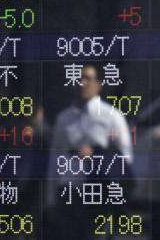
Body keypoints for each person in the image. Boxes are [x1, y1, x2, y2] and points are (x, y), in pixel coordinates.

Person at [46, 63, 133, 239]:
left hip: (98, 192)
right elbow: (55, 158)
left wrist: (98, 155)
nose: (82, 83)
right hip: (69, 191)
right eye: (79, 79)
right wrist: (50, 198)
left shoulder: (112, 116)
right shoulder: (64, 118)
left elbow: (125, 157)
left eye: (87, 78)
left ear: (98, 84)